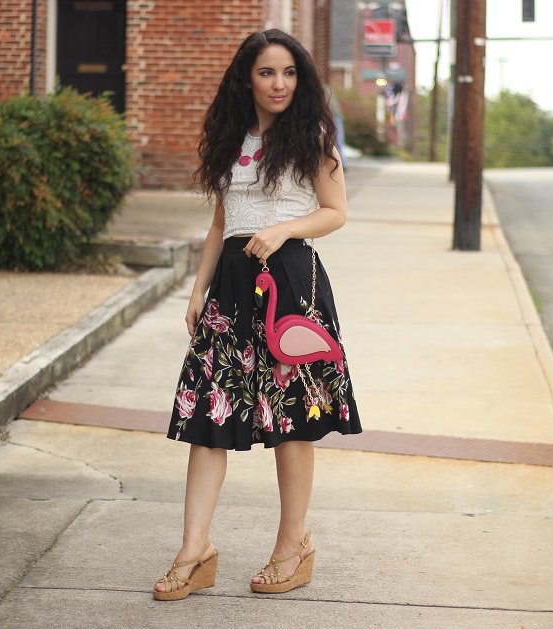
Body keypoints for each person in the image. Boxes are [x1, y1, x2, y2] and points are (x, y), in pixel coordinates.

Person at [153, 28, 362, 602]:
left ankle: (292, 545)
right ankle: (195, 549)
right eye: (268, 72)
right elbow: (222, 222)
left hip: (290, 284)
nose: (280, 84)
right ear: (247, 76)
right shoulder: (229, 137)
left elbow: (336, 212)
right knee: (208, 417)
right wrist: (197, 290)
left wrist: (284, 228)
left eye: (290, 73)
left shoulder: (312, 135)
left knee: (291, 419)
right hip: (228, 287)